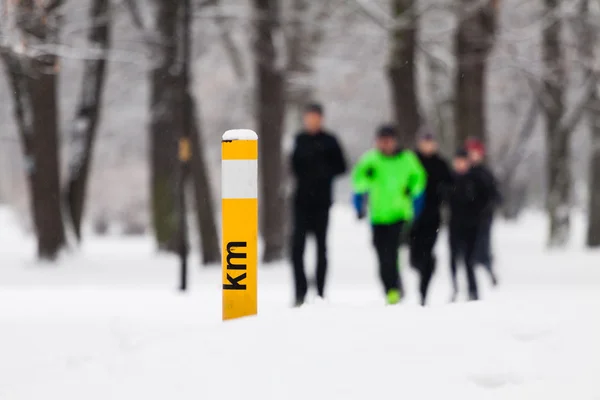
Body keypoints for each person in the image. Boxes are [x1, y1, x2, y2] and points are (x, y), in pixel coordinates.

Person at [352, 124, 427, 305]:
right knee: (381, 255)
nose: (385, 145)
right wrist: (359, 206)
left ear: (395, 141)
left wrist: (412, 191)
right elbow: (358, 183)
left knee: (391, 253)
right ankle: (391, 288)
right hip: (378, 216)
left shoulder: (407, 159)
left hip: (400, 214)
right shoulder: (371, 160)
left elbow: (419, 179)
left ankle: (393, 290)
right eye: (381, 141)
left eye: (388, 141)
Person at [290, 103, 347, 307]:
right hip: (301, 203)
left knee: (321, 250)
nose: (312, 120)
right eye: (309, 117)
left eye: (315, 117)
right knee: (297, 249)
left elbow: (342, 166)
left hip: (322, 203)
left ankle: (321, 292)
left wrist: (323, 171)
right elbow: (293, 166)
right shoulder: (299, 139)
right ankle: (300, 292)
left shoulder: (330, 141)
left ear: (321, 118)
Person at [409, 127, 453, 306]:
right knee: (414, 256)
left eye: (430, 142)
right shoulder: (411, 161)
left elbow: (451, 186)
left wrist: (444, 192)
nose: (427, 146)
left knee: (427, 253)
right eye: (424, 142)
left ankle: (423, 292)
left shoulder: (441, 164)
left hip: (433, 215)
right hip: (413, 215)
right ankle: (424, 267)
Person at [448, 148, 491, 302]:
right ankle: (454, 289)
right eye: (457, 161)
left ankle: (473, 292)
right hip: (454, 226)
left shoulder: (475, 179)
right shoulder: (450, 179)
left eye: (462, 161)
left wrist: (480, 215)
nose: (460, 165)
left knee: (469, 260)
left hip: (471, 226)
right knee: (453, 259)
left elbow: (487, 198)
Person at [464, 137, 502, 286]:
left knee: (482, 246)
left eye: (476, 153)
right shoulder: (463, 173)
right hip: (467, 219)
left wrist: (489, 206)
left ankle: (488, 269)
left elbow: (496, 194)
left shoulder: (486, 173)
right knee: (468, 251)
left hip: (484, 218)